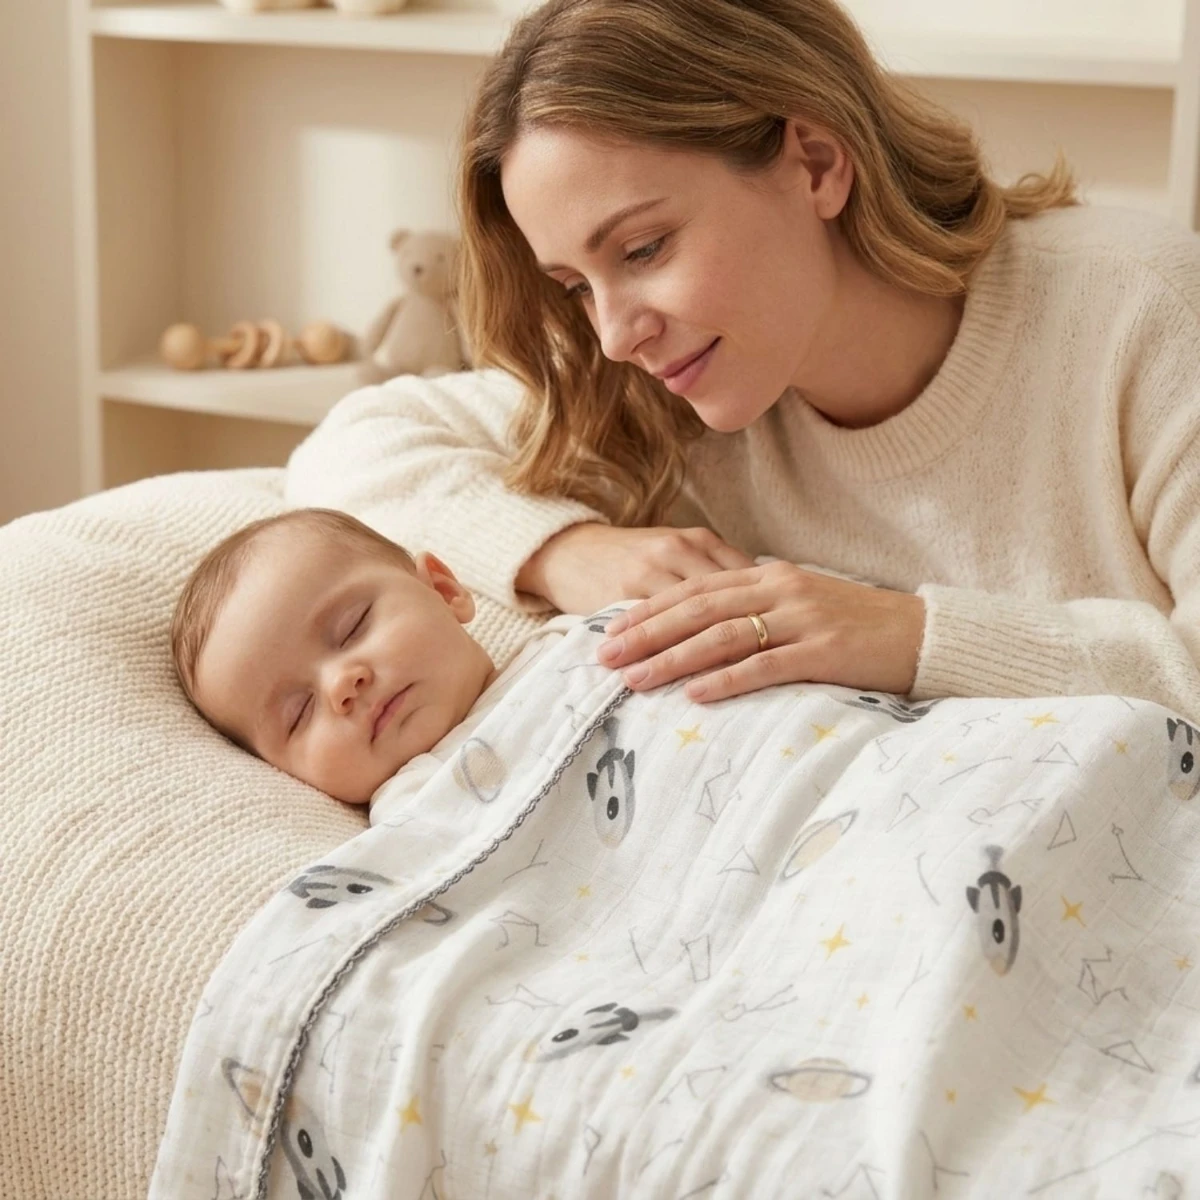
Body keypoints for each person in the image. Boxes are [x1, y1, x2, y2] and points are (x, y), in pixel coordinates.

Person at [286, 0, 1200, 723]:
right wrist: (568, 552)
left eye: (643, 249)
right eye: (575, 286)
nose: (614, 336)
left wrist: (908, 635)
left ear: (816, 163)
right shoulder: (660, 393)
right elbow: (349, 450)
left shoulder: (1141, 311)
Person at [170, 508, 575, 806]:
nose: (341, 684)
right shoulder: (408, 826)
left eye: (353, 627)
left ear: (443, 590)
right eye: (299, 713)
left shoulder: (571, 645)